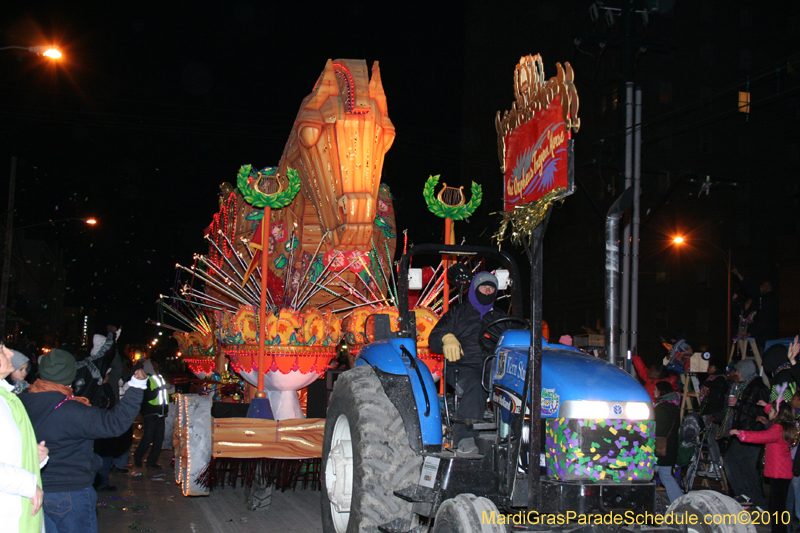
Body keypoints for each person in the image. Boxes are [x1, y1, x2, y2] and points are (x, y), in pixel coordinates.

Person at [20, 349, 147, 533]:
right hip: (71, 491)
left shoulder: (20, 403)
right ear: (72, 375)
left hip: (32, 490)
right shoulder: (74, 411)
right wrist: (137, 386)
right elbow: (116, 423)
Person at [429, 271, 509, 453]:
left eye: (491, 288)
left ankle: (517, 435)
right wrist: (446, 337)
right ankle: (464, 437)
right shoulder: (457, 313)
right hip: (462, 366)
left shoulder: (500, 316)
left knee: (516, 383)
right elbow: (434, 337)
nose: (487, 291)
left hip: (493, 365)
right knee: (475, 383)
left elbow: (517, 335)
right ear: (474, 288)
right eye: (483, 287)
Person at [0, 345, 48, 533]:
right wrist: (27, 483)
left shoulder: (7, 397)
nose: (11, 353)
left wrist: (31, 455)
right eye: (2, 350)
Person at [732, 401, 796, 533]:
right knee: (780, 507)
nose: (768, 413)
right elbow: (775, 412)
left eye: (771, 411)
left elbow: (762, 436)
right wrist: (766, 406)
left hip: (778, 474)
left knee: (777, 509)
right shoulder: (786, 426)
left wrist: (741, 434)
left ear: (778, 414)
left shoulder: (777, 429)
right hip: (782, 473)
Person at [722, 358, 770, 510]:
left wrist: (738, 404)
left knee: (742, 466)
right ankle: (748, 498)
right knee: (739, 465)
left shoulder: (758, 387)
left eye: (738, 370)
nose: (736, 373)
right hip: (743, 432)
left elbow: (761, 413)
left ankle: (752, 499)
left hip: (752, 432)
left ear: (745, 371)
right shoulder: (744, 386)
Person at [132, 360, 170, 469]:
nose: (157, 365)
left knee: (159, 438)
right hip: (150, 411)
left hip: (160, 412)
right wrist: (160, 389)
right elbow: (148, 396)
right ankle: (138, 456)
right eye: (154, 364)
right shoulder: (147, 379)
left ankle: (152, 461)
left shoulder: (159, 378)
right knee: (148, 437)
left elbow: (162, 395)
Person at [733, 267, 779, 351]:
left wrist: (752, 332)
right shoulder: (761, 298)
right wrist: (738, 274)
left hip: (766, 337)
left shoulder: (770, 301)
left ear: (768, 287)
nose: (760, 286)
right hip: (757, 337)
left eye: (763, 285)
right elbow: (750, 287)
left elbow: (766, 319)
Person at [653, 381, 683, 503]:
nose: (653, 392)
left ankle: (679, 501)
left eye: (655, 389)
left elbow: (659, 428)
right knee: (663, 474)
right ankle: (677, 500)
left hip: (662, 447)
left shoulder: (662, 407)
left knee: (662, 475)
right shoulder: (673, 406)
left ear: (661, 391)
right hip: (670, 446)